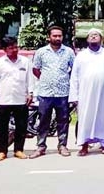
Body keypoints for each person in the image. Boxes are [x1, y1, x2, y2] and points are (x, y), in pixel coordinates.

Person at [29, 26, 76, 159]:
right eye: (54, 36)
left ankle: (62, 145)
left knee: (63, 120)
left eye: (59, 36)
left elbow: (74, 69)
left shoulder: (69, 52)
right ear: (49, 37)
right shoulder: (41, 52)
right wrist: (46, 79)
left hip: (63, 92)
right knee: (43, 120)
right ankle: (41, 146)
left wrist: (65, 79)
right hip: (45, 92)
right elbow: (36, 69)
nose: (57, 38)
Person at [70, 28, 104, 156]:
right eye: (91, 35)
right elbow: (74, 76)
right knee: (85, 118)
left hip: (103, 93)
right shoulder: (81, 56)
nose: (94, 37)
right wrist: (74, 96)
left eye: (96, 35)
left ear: (101, 38)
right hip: (85, 94)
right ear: (87, 39)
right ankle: (84, 145)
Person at [0, 37, 31, 161]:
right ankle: (2, 151)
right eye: (11, 48)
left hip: (21, 98)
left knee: (21, 127)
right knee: (2, 128)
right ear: (5, 49)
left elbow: (30, 79)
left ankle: (18, 150)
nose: (14, 50)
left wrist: (30, 93)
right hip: (3, 99)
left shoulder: (25, 61)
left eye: (16, 47)